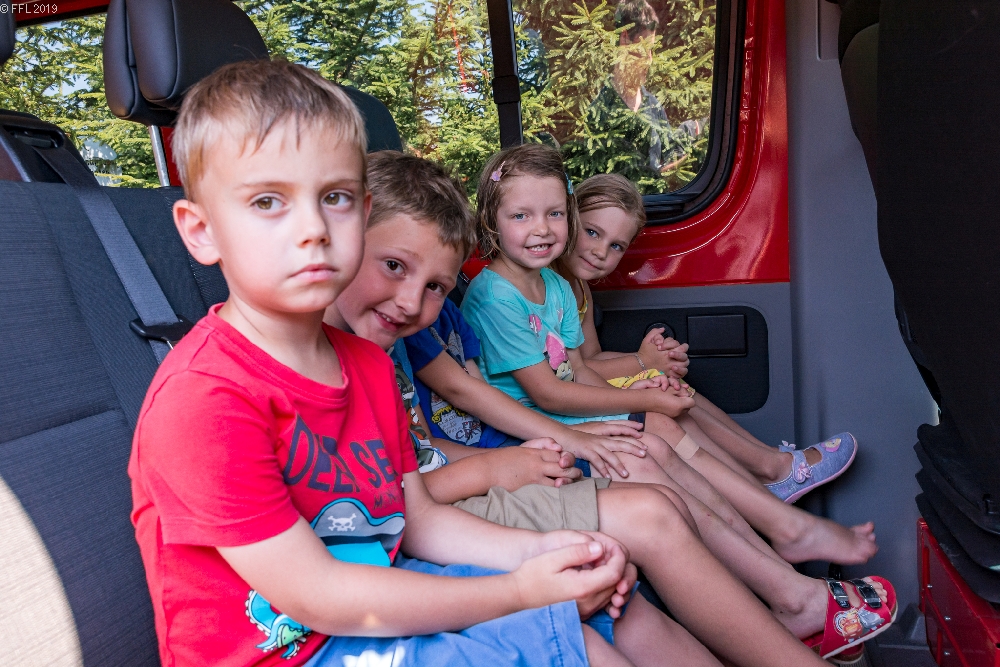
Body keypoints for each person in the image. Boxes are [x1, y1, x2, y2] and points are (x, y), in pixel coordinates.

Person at [128, 59, 642, 667]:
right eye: (268, 201)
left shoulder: (371, 367)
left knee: (587, 631)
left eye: (336, 199)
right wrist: (520, 590)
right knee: (568, 638)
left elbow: (416, 521)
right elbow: (319, 597)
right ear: (201, 231)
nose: (314, 228)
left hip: (375, 602)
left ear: (363, 211)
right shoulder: (203, 398)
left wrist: (551, 551)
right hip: (292, 651)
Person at [327, 149, 893, 664]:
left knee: (650, 447)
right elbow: (458, 428)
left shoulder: (407, 342)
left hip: (494, 459)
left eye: (435, 285)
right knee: (647, 474)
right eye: (394, 266)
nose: (412, 300)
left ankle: (786, 569)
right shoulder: (453, 315)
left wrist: (638, 379)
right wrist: (528, 455)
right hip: (487, 468)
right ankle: (790, 573)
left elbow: (516, 389)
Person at [462, 143, 881, 566]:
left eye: (553, 214)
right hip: (532, 422)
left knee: (663, 405)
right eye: (521, 216)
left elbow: (580, 367)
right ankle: (781, 517)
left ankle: (774, 515)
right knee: (658, 416)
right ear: (492, 221)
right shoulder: (496, 297)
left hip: (561, 409)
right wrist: (642, 387)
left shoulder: (555, 288)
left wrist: (643, 389)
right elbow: (549, 393)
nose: (542, 229)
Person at [554, 173, 859, 504]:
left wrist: (653, 361)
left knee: (665, 380)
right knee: (662, 389)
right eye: (592, 232)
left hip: (582, 386)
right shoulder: (551, 287)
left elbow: (591, 356)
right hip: (566, 401)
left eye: (616, 246)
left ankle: (770, 462)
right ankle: (771, 472)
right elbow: (571, 371)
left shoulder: (579, 289)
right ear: (569, 218)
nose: (600, 251)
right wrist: (641, 362)